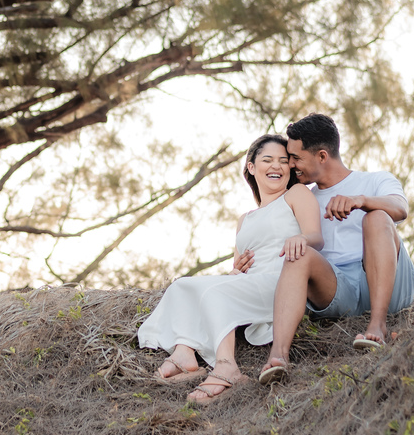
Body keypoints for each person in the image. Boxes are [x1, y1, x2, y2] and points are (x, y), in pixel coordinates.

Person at [138, 134, 322, 404]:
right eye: (268, 160)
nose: (277, 166)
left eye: (284, 161)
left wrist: (301, 239)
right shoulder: (244, 220)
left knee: (217, 293)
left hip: (283, 280)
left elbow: (316, 236)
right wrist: (235, 272)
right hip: (250, 283)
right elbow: (238, 266)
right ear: (251, 167)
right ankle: (184, 353)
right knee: (182, 285)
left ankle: (227, 366)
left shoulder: (295, 194)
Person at [256, 113, 414, 384]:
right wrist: (247, 262)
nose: (291, 165)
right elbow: (276, 241)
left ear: (321, 156)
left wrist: (361, 201)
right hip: (337, 288)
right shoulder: (302, 198)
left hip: (386, 281)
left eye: (296, 158)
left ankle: (376, 325)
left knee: (377, 218)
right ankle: (278, 356)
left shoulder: (375, 180)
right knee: (300, 253)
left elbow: (400, 210)